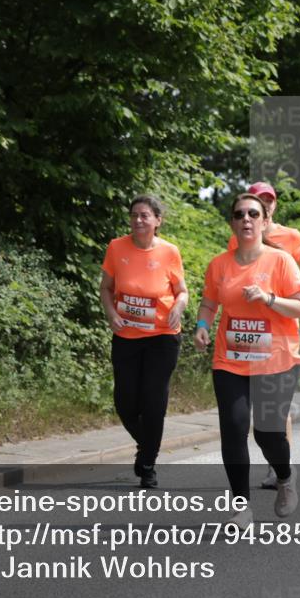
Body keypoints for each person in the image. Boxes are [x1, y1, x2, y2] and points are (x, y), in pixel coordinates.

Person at [195, 193, 300, 529]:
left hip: (277, 360)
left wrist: (269, 298)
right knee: (233, 428)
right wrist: (202, 326)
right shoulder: (219, 264)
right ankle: (241, 507)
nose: (246, 219)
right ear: (232, 222)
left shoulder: (280, 261)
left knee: (267, 433)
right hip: (230, 359)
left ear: (263, 221)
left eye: (253, 214)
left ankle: (285, 478)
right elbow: (209, 304)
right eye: (239, 214)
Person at [228, 182, 300, 489]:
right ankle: (276, 464)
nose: (264, 204)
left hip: (281, 320)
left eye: (268, 200)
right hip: (247, 334)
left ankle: (280, 464)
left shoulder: (290, 237)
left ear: (273, 207)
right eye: (259, 199)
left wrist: (285, 287)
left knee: (275, 411)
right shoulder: (238, 236)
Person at [99, 195, 187, 488]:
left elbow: (182, 291)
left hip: (162, 336)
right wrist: (111, 314)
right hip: (126, 336)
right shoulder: (116, 247)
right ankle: (148, 443)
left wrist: (177, 307)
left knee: (153, 401)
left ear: (157, 221)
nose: (138, 220)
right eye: (134, 215)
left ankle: (148, 464)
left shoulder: (170, 252)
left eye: (145, 215)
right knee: (124, 402)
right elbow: (106, 289)